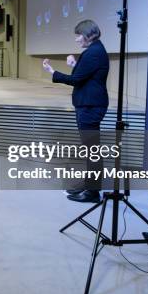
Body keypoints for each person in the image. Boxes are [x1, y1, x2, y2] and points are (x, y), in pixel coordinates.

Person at [42, 19, 109, 203]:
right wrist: (74, 66)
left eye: (79, 35)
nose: (77, 40)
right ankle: (90, 185)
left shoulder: (93, 53)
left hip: (90, 106)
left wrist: (52, 72)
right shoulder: (95, 50)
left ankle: (92, 193)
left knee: (92, 151)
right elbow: (88, 76)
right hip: (89, 105)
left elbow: (77, 80)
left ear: (89, 34)